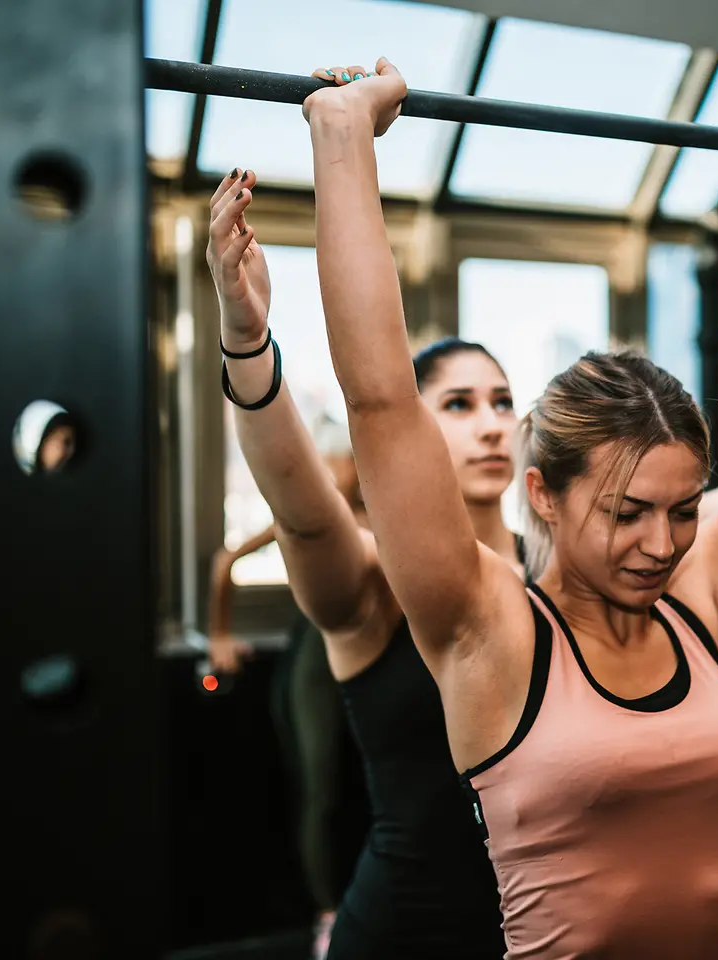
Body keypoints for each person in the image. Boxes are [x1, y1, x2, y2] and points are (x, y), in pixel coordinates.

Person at [300, 59, 718, 958]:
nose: (662, 544)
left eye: (684, 509)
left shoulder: (703, 596)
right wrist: (344, 142)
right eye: (626, 514)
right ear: (545, 493)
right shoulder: (487, 630)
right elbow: (381, 395)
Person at [207, 165, 520, 958]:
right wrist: (247, 338)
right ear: (413, 429)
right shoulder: (381, 582)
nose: (491, 424)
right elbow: (304, 514)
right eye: (459, 404)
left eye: (503, 401)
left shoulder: (556, 571)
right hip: (402, 937)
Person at [206, 413, 359, 957]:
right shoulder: (312, 514)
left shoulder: (386, 511)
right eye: (338, 459)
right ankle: (326, 911)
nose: (342, 469)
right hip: (315, 657)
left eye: (345, 459)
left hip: (373, 661)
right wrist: (219, 636)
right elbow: (226, 562)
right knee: (321, 786)